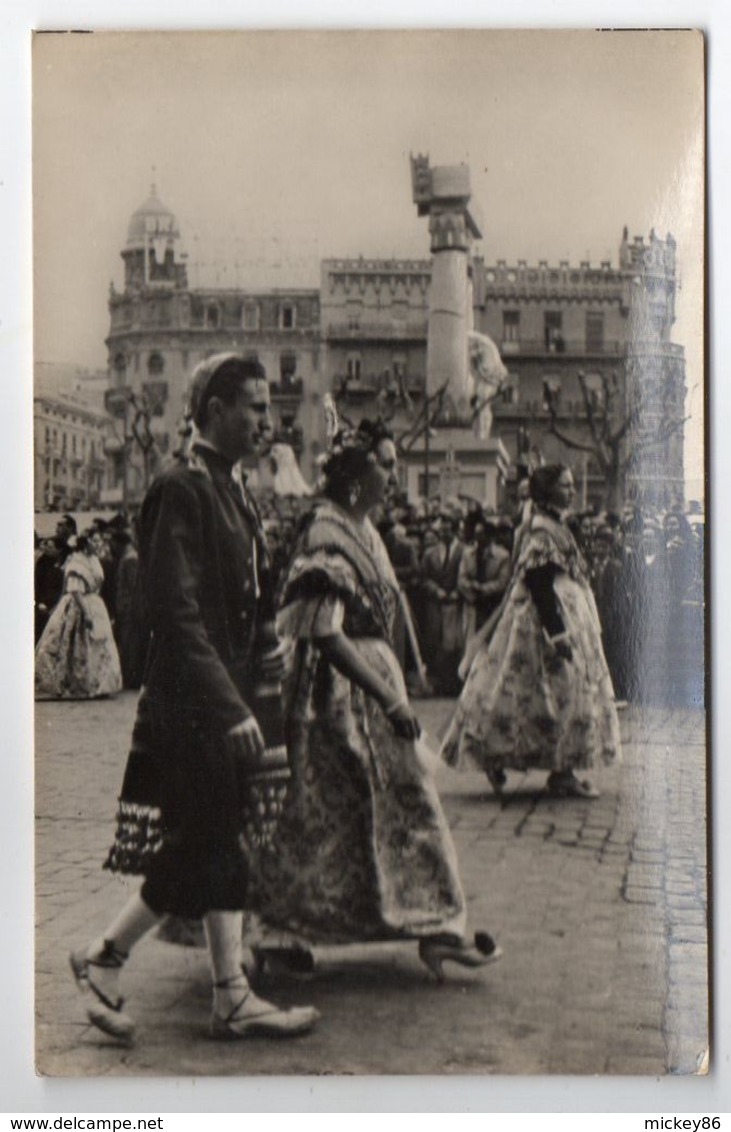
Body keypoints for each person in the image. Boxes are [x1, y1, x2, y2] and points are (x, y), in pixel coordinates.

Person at [69, 354, 318, 1044]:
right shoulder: (179, 489)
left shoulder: (232, 491)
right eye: (254, 407)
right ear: (211, 410)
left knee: (208, 846)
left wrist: (264, 689)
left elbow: (251, 608)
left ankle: (193, 982)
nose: (266, 421)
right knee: (204, 846)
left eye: (268, 408)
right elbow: (174, 616)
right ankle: (119, 963)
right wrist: (230, 706)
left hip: (220, 707)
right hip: (190, 711)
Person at [245, 413, 501, 981]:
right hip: (333, 697)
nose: (395, 475)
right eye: (386, 467)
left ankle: (437, 925)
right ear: (358, 481)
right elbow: (322, 630)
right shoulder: (326, 532)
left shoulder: (364, 530)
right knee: (320, 819)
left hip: (368, 686)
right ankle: (278, 933)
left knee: (390, 809)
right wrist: (390, 698)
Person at [441, 465, 621, 799]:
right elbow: (538, 584)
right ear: (547, 492)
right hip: (541, 624)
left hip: (559, 615)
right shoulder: (541, 530)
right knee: (536, 693)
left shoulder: (555, 525)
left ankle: (560, 768)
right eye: (565, 486)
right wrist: (558, 633)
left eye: (571, 485)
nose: (571, 490)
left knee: (547, 695)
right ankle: (512, 759)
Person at [35, 532, 122, 700]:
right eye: (94, 541)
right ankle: (74, 684)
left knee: (97, 644)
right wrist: (87, 613)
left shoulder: (93, 559)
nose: (97, 544)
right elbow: (75, 590)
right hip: (78, 604)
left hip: (94, 603)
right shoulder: (76, 562)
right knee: (75, 643)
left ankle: (97, 683)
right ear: (85, 543)